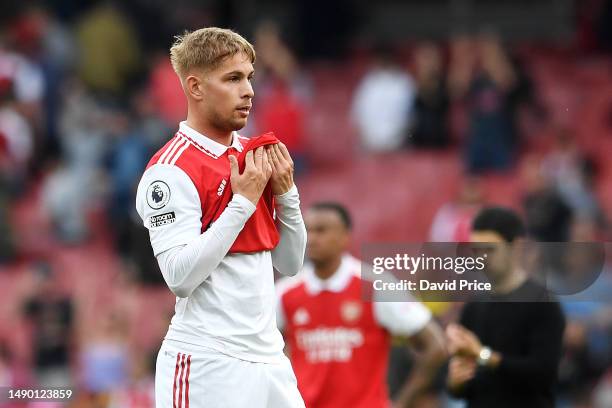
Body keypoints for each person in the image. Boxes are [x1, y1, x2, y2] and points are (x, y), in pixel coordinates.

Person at [135, 28, 307, 407]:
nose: (248, 91)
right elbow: (179, 277)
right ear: (195, 88)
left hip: (270, 360)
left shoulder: (255, 155)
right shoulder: (169, 171)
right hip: (207, 362)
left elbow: (290, 263)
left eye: (249, 78)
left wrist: (287, 194)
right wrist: (242, 203)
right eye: (232, 79)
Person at [276, 202, 447, 407]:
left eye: (321, 231)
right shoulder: (285, 292)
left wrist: (402, 403)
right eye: (308, 231)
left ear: (345, 237)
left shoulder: (375, 286)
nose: (311, 239)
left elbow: (435, 345)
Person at [446, 207, 566, 407]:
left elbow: (543, 374)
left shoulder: (542, 304)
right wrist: (455, 381)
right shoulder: (474, 307)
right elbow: (461, 388)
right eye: (476, 250)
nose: (481, 258)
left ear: (516, 247)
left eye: (490, 249)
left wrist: (483, 355)